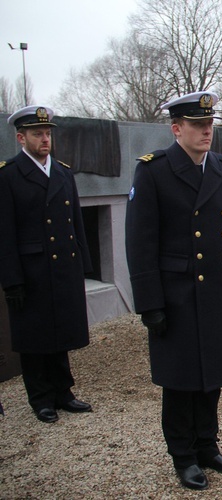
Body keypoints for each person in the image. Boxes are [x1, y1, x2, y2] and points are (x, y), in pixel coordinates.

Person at [125, 91, 222, 490]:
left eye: (210, 125)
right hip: (176, 294)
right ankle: (183, 456)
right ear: (176, 128)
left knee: (212, 375)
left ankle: (207, 446)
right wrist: (150, 303)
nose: (206, 132)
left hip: (216, 288)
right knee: (180, 381)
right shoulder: (154, 171)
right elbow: (139, 243)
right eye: (198, 126)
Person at [0, 105, 93, 423]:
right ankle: (40, 398)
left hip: (63, 266)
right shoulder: (9, 175)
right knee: (35, 336)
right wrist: (11, 279)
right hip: (32, 269)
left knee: (61, 331)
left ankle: (63, 392)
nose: (44, 139)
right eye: (37, 133)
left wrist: (83, 263)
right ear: (20, 137)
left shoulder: (63, 172)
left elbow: (76, 222)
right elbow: (5, 232)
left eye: (47, 133)